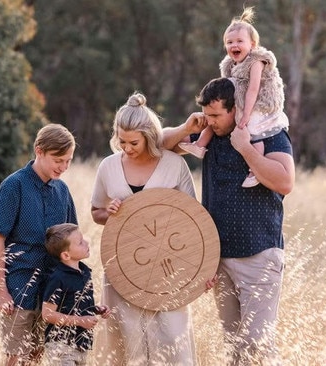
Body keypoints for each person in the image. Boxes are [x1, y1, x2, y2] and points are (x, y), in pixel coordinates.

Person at [163, 77, 295, 365]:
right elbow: (161, 145)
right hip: (219, 259)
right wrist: (188, 128)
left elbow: (285, 182)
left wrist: (246, 148)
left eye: (216, 115)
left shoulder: (269, 135)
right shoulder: (210, 136)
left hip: (258, 254)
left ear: (235, 109)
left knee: (257, 343)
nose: (210, 122)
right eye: (206, 115)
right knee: (234, 344)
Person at [90, 92, 198, 365]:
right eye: (121, 141)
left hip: (168, 269)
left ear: (150, 137)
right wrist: (110, 212)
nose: (126, 147)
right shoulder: (108, 166)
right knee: (126, 343)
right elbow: (96, 212)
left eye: (133, 142)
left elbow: (193, 219)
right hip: (122, 267)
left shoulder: (175, 165)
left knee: (172, 341)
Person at [0, 123, 79, 366]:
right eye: (58, 160)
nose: (63, 167)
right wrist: (2, 290)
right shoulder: (14, 185)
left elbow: (71, 243)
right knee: (14, 357)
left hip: (51, 288)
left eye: (68, 160)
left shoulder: (62, 190)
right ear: (39, 151)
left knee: (36, 356)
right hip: (18, 286)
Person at [178, 6, 289, 188]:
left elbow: (253, 89)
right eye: (229, 42)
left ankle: (255, 171)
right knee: (215, 115)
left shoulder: (256, 61)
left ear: (252, 45)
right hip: (243, 103)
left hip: (259, 105)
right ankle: (199, 145)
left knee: (252, 131)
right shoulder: (230, 65)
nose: (234, 45)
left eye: (239, 41)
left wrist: (245, 114)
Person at [42, 223, 111, 365]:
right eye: (80, 243)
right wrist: (81, 321)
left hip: (81, 344)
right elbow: (47, 314)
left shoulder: (85, 272)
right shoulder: (57, 278)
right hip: (61, 345)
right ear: (66, 255)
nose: (86, 243)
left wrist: (95, 309)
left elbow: (75, 304)